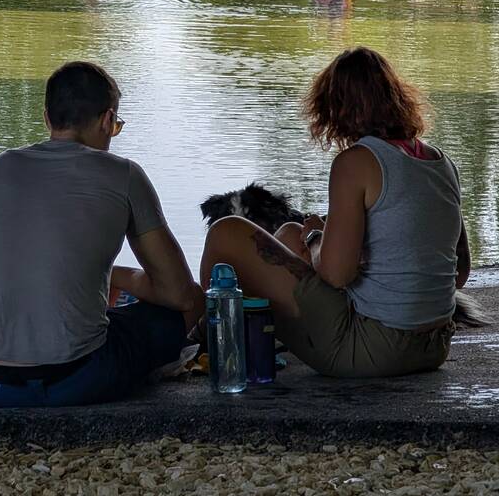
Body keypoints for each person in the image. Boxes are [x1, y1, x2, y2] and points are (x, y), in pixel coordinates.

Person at [0, 61, 203, 407]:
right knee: (184, 310)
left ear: (48, 118)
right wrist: (119, 279)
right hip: (83, 378)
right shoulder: (124, 175)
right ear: (108, 121)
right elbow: (180, 294)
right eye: (117, 125)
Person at [199, 46, 471, 377]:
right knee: (286, 234)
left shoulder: (355, 162)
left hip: (373, 351)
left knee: (227, 231)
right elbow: (460, 270)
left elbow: (337, 275)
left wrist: (316, 234)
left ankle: (208, 340)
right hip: (433, 347)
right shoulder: (442, 163)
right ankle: (235, 336)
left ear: (334, 109)